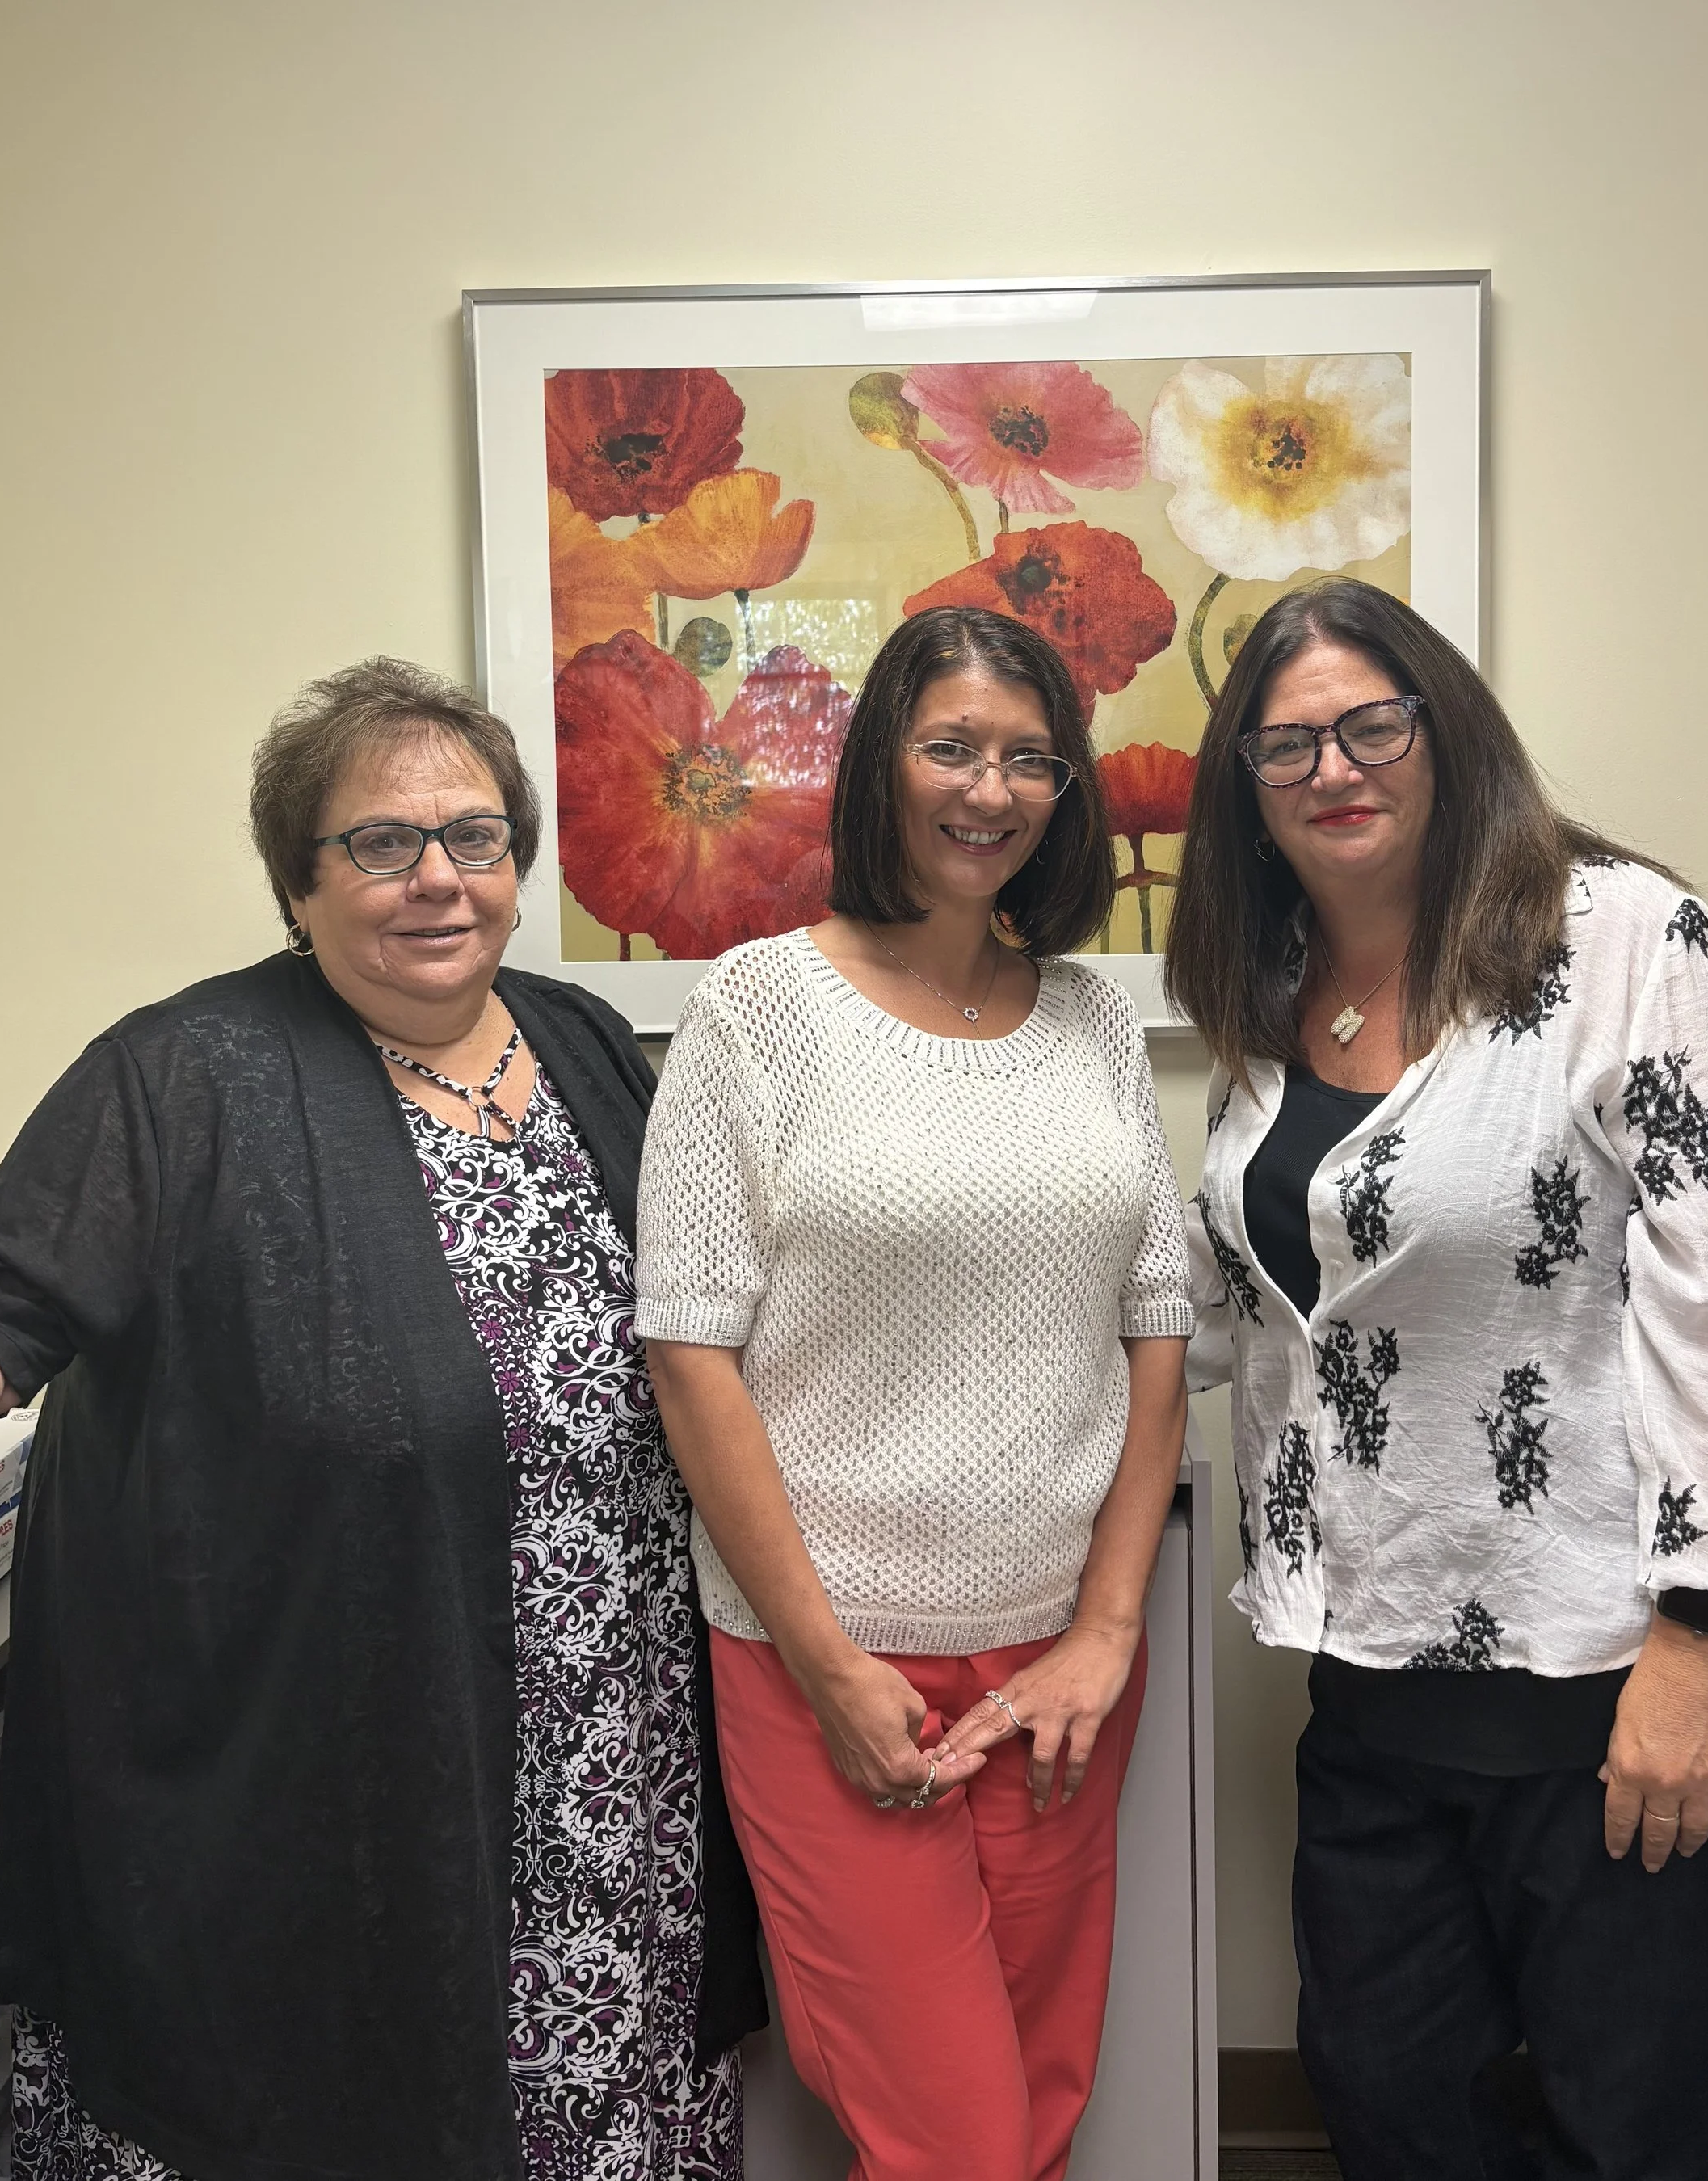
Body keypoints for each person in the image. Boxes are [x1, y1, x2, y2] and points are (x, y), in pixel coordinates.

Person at [0, 659, 762, 2181]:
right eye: (380, 843)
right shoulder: (184, 1072)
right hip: (327, 1743)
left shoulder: (584, 1046)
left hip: (609, 1747)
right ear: (300, 878)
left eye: (475, 838)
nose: (437, 878)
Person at [1165, 579, 1708, 2181]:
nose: (1332, 767)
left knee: (1621, 2125)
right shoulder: (1271, 989)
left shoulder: (1619, 936)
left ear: (1441, 728)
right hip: (1380, 1657)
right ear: (1245, 791)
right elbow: (1247, 1302)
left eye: (1368, 723)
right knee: (1385, 2094)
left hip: (1628, 1660)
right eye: (1285, 746)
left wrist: (1697, 1648)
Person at [635, 604, 1193, 2181]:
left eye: (1030, 758)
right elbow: (689, 1351)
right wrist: (821, 1659)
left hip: (1059, 1664)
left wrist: (1106, 1623)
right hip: (829, 1661)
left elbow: (1157, 1318)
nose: (989, 788)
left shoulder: (1085, 1014)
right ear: (881, 761)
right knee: (944, 2131)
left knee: (1033, 2093)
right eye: (950, 744)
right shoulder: (756, 1011)